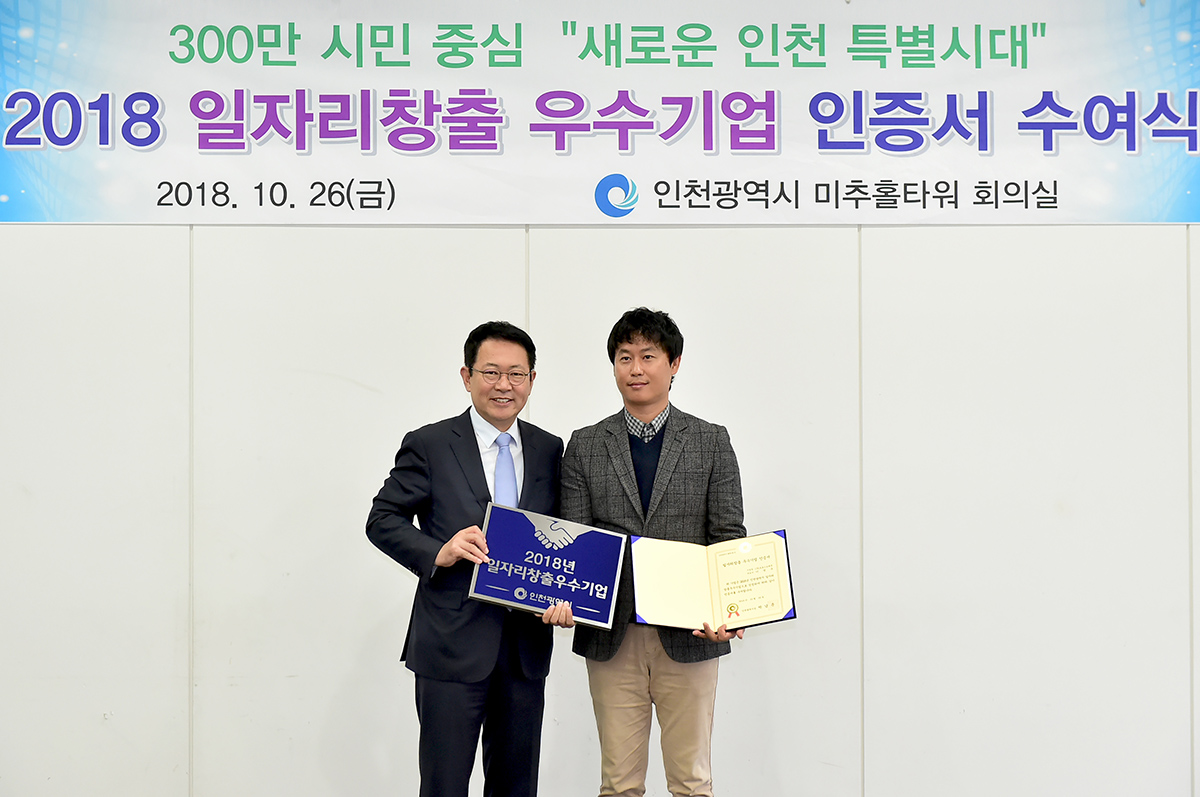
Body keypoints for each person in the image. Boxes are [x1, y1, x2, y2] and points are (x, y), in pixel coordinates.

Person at [367, 320, 573, 797]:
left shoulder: (549, 449)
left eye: (516, 374)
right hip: (450, 647)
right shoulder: (431, 444)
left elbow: (562, 536)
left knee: (516, 787)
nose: (504, 385)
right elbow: (382, 519)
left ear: (532, 380)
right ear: (466, 376)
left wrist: (569, 599)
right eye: (491, 372)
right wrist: (437, 551)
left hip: (524, 650)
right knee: (444, 786)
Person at [561, 307, 747, 797]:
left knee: (692, 782)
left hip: (692, 634)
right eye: (625, 357)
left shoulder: (710, 441)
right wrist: (562, 597)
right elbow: (575, 541)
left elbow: (727, 534)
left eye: (648, 356)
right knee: (618, 784)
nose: (635, 369)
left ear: (674, 363)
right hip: (611, 635)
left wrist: (731, 609)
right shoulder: (584, 445)